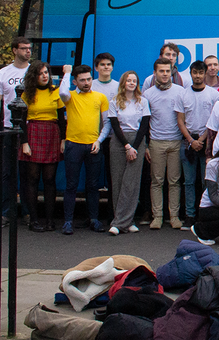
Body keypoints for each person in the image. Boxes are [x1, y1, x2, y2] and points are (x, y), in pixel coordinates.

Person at [58, 64, 111, 234]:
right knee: (71, 185)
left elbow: (107, 123)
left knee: (93, 185)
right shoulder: (70, 96)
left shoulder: (100, 97)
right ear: (75, 81)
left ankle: (94, 219)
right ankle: (68, 221)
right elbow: (63, 93)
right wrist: (66, 74)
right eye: (82, 80)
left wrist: (99, 141)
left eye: (89, 79)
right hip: (73, 145)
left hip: (93, 145)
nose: (87, 82)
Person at [17, 61, 63, 233]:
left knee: (50, 180)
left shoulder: (55, 92)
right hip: (33, 132)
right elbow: (22, 121)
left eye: (47, 73)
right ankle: (34, 220)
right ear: (34, 76)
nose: (45, 76)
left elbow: (61, 118)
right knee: (32, 180)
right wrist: (24, 142)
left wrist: (63, 140)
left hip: (52, 132)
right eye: (41, 73)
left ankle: (50, 220)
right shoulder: (27, 94)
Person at [145, 57, 188, 230]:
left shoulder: (180, 91)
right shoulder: (147, 94)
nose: (164, 74)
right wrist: (147, 145)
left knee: (174, 181)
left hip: (176, 142)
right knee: (156, 181)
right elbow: (144, 122)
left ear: (172, 72)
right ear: (155, 73)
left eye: (167, 71)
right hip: (156, 142)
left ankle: (174, 217)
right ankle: (158, 217)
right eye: (161, 71)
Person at [106, 71, 150, 235]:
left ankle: (123, 222)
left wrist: (134, 147)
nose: (132, 83)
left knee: (131, 183)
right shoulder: (114, 102)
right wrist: (126, 146)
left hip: (137, 140)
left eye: (134, 81)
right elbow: (115, 126)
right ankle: (122, 222)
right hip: (119, 141)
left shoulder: (143, 102)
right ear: (123, 82)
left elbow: (144, 126)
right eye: (129, 80)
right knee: (118, 181)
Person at [0, 37, 29, 221]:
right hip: (7, 127)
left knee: (27, 172)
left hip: (30, 128)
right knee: (7, 172)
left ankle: (28, 211)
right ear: (15, 50)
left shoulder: (34, 71)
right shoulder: (2, 74)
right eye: (24, 48)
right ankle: (6, 211)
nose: (28, 51)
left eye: (29, 48)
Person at [180, 61, 219, 229]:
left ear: (205, 73)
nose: (197, 76)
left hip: (207, 142)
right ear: (190, 73)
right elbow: (180, 120)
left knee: (206, 181)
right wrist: (191, 140)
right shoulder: (183, 94)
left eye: (200, 72)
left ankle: (205, 212)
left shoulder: (213, 94)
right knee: (188, 181)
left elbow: (214, 120)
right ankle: (190, 215)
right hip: (188, 143)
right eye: (194, 72)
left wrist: (202, 140)